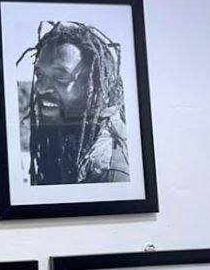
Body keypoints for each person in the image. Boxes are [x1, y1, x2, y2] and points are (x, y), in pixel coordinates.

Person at [18, 21, 130, 185]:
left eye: (61, 77)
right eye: (40, 75)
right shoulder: (65, 142)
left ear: (93, 86)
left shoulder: (109, 172)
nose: (41, 88)